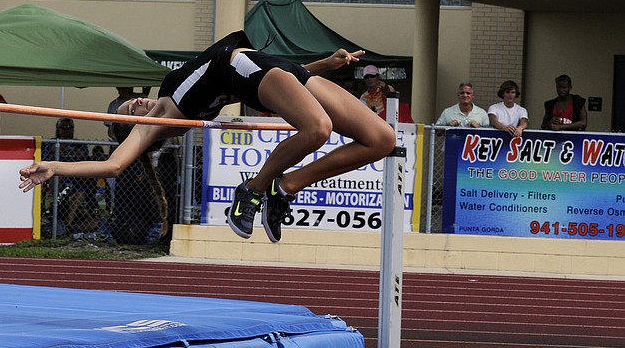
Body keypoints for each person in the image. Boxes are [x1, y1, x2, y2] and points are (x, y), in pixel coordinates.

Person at [20, 30, 396, 244]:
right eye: (129, 112)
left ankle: (286, 185)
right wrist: (54, 166)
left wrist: (323, 66)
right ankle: (253, 189)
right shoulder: (163, 116)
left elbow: (276, 79)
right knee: (318, 129)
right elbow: (114, 164)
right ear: (134, 126)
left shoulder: (168, 92)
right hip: (244, 68)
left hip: (273, 68)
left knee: (381, 139)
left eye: (130, 101)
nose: (134, 103)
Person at [54, 118, 101, 235]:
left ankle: (69, 227)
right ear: (57, 129)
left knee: (94, 223)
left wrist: (63, 152)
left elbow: (83, 157)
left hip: (77, 182)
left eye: (69, 127)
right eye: (63, 127)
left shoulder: (79, 144)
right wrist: (66, 151)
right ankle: (66, 225)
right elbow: (49, 157)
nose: (66, 130)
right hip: (59, 180)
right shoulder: (52, 143)